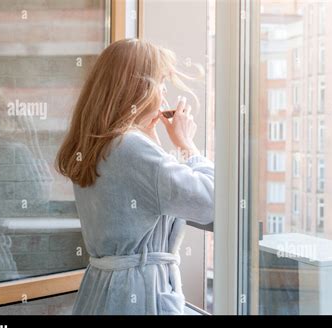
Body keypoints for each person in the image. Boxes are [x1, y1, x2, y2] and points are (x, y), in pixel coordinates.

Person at [55, 38, 214, 314]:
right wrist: (187, 145)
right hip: (141, 297)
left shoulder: (98, 145)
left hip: (101, 293)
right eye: (161, 85)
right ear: (140, 89)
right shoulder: (130, 148)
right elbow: (212, 202)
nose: (164, 98)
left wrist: (149, 134)